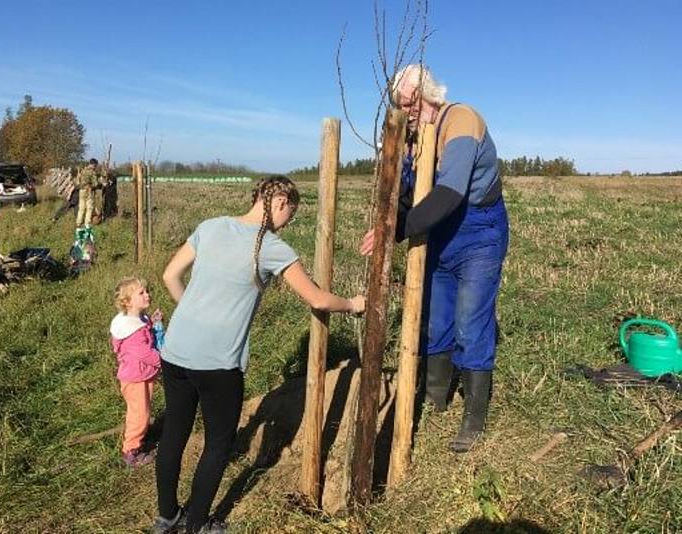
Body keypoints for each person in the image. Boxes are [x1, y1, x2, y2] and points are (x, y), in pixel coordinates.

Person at [154, 176, 365, 534]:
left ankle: (166, 516)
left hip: (175, 351)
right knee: (218, 444)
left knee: (174, 432)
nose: (288, 223)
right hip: (218, 364)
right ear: (281, 202)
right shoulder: (270, 247)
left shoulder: (211, 226)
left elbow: (169, 275)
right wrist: (352, 304)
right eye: (291, 215)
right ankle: (197, 525)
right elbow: (316, 298)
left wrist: (194, 311)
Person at [360, 65, 509, 453]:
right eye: (399, 104)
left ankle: (474, 419)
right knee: (437, 317)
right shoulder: (414, 138)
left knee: (470, 319)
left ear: (426, 93)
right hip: (438, 231)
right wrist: (388, 220)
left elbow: (448, 194)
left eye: (408, 101)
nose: (404, 109)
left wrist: (397, 232)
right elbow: (409, 195)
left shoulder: (461, 119)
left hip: (478, 231)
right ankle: (436, 399)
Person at [110, 277, 164, 467]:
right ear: (127, 302)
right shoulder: (130, 330)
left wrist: (155, 323)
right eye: (141, 293)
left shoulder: (139, 319)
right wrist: (164, 361)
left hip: (142, 375)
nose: (147, 295)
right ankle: (131, 452)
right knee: (139, 414)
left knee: (142, 411)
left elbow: (148, 333)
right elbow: (145, 353)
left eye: (146, 291)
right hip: (135, 379)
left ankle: (138, 440)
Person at [75, 158, 99, 228]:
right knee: (89, 208)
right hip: (88, 190)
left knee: (81, 207)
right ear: (94, 164)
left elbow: (78, 180)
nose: (95, 167)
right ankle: (87, 223)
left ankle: (78, 223)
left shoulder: (83, 170)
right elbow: (95, 184)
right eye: (96, 166)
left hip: (81, 190)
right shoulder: (92, 172)